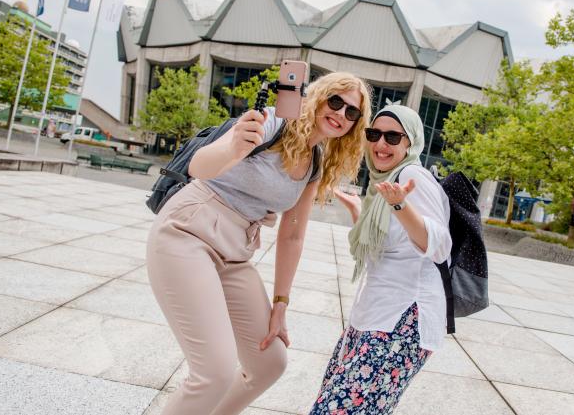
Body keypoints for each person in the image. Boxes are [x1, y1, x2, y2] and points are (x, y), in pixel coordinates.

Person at [147, 72, 372, 415]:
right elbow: (199, 166)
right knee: (214, 372)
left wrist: (280, 303)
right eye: (336, 101)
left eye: (352, 112)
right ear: (317, 98)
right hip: (188, 232)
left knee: (270, 363)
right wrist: (236, 144)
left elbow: (293, 234)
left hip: (235, 254)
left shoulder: (315, 163)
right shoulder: (272, 122)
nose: (341, 114)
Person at [310, 103, 451, 415]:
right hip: (374, 314)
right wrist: (357, 210)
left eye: (392, 137)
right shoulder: (382, 184)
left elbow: (440, 246)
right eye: (373, 134)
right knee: (343, 402)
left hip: (402, 318)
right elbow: (387, 244)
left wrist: (401, 205)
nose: (380, 144)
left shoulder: (413, 175)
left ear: (410, 143)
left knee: (338, 409)